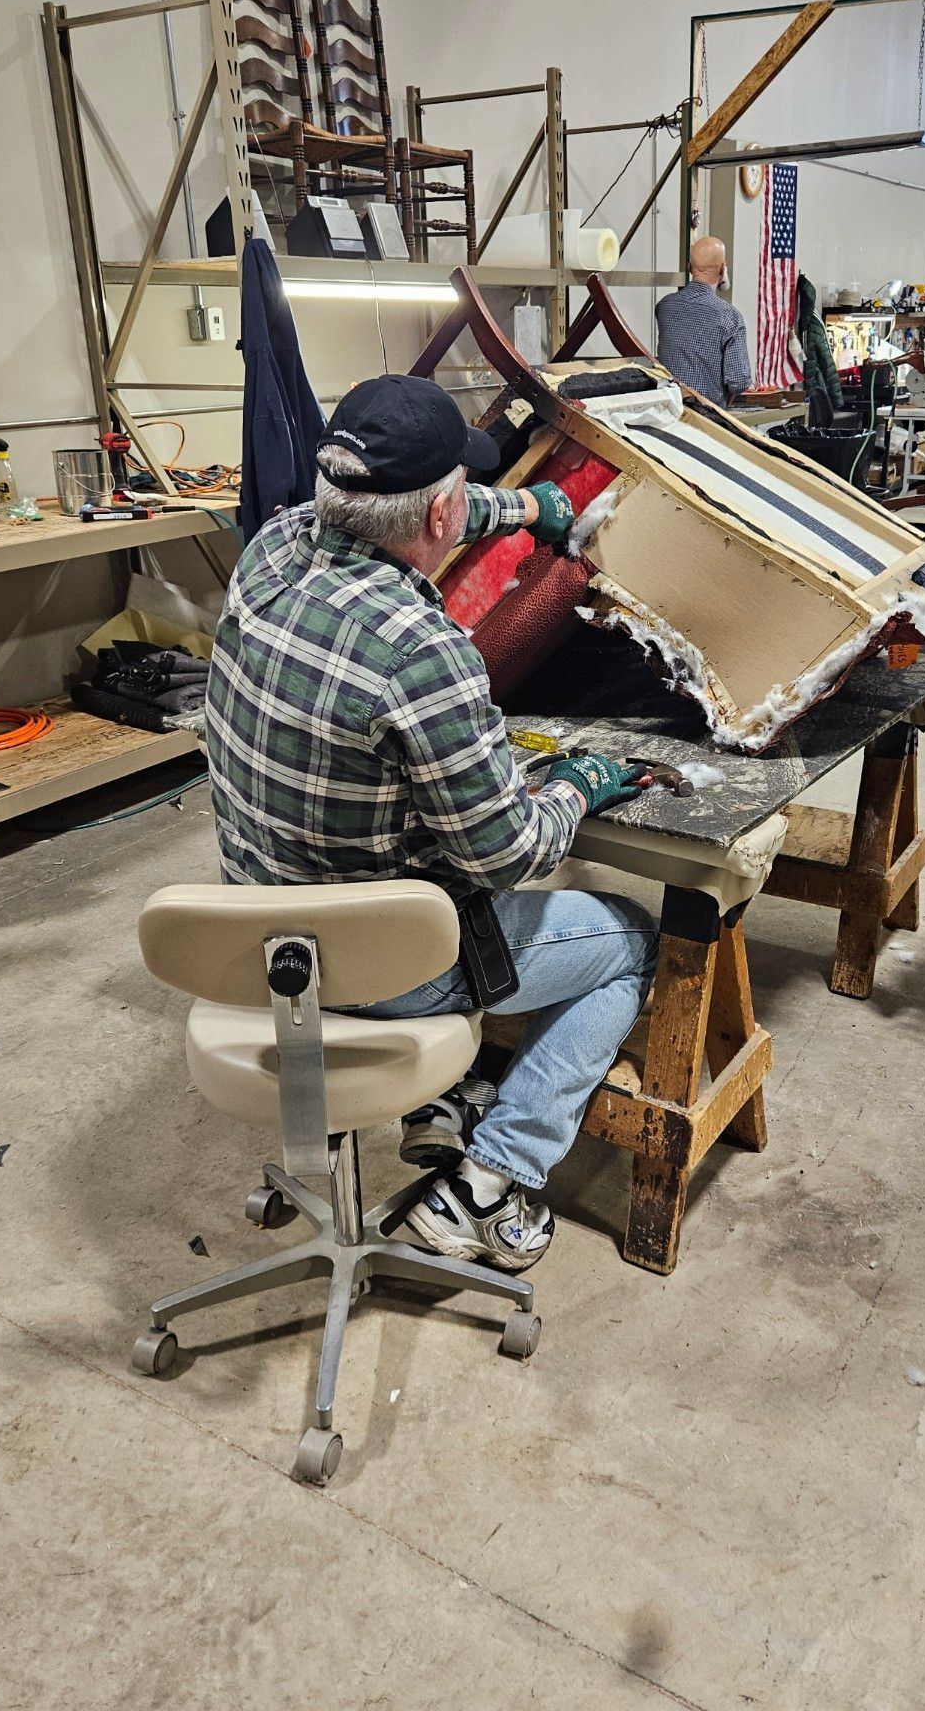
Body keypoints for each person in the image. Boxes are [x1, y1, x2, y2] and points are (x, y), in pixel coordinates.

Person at [204, 372, 658, 1274]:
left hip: (258, 936)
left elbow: (439, 509)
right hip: (377, 967)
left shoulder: (273, 545)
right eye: (461, 494)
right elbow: (512, 854)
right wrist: (580, 783)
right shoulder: (423, 653)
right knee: (629, 942)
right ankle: (488, 1182)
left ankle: (449, 1103)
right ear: (440, 513)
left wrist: (530, 506)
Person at [653, 236, 752, 405]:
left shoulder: (664, 307)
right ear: (722, 269)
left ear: (690, 267)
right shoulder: (730, 316)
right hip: (707, 416)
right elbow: (738, 382)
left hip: (667, 410)